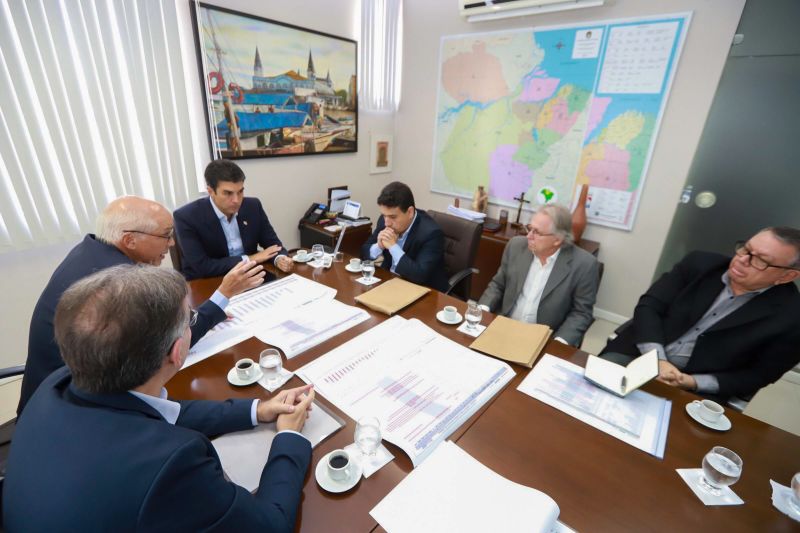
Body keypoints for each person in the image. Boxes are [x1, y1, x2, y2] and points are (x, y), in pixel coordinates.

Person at [3, 266, 314, 531]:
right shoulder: (173, 465)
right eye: (191, 319)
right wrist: (288, 435)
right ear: (177, 352)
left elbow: (165, 413)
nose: (194, 322)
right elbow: (270, 525)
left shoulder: (56, 385)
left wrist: (258, 410)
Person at [18, 196, 265, 415]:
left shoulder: (92, 251)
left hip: (44, 399)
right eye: (166, 235)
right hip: (75, 412)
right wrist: (224, 292)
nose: (171, 244)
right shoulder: (117, 285)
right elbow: (174, 339)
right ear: (130, 240)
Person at [602, 227, 800, 401]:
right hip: (639, 354)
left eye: (760, 260)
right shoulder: (700, 264)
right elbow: (649, 306)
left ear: (787, 276)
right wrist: (658, 361)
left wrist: (691, 382)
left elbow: (758, 375)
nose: (742, 260)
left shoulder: (792, 318)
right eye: (746, 249)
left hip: (697, 387)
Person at [478, 204, 599, 346]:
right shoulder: (516, 246)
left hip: (544, 340)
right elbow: (498, 285)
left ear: (557, 239)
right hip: (505, 326)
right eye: (530, 228)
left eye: (537, 232)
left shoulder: (584, 265)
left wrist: (559, 343)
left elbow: (581, 313)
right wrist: (482, 311)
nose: (529, 236)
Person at [174, 159, 293, 280]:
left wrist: (279, 259)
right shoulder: (187, 216)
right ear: (210, 191)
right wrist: (251, 259)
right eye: (228, 193)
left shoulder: (252, 206)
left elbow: (273, 245)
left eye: (240, 191)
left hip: (250, 276)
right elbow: (202, 266)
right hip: (209, 282)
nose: (236, 200)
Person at [360, 181, 448, 291]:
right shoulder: (385, 221)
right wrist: (379, 246)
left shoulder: (431, 234)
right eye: (384, 215)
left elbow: (419, 276)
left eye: (393, 217)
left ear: (410, 212)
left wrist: (393, 247)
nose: (387, 223)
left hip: (423, 291)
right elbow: (364, 253)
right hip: (390, 283)